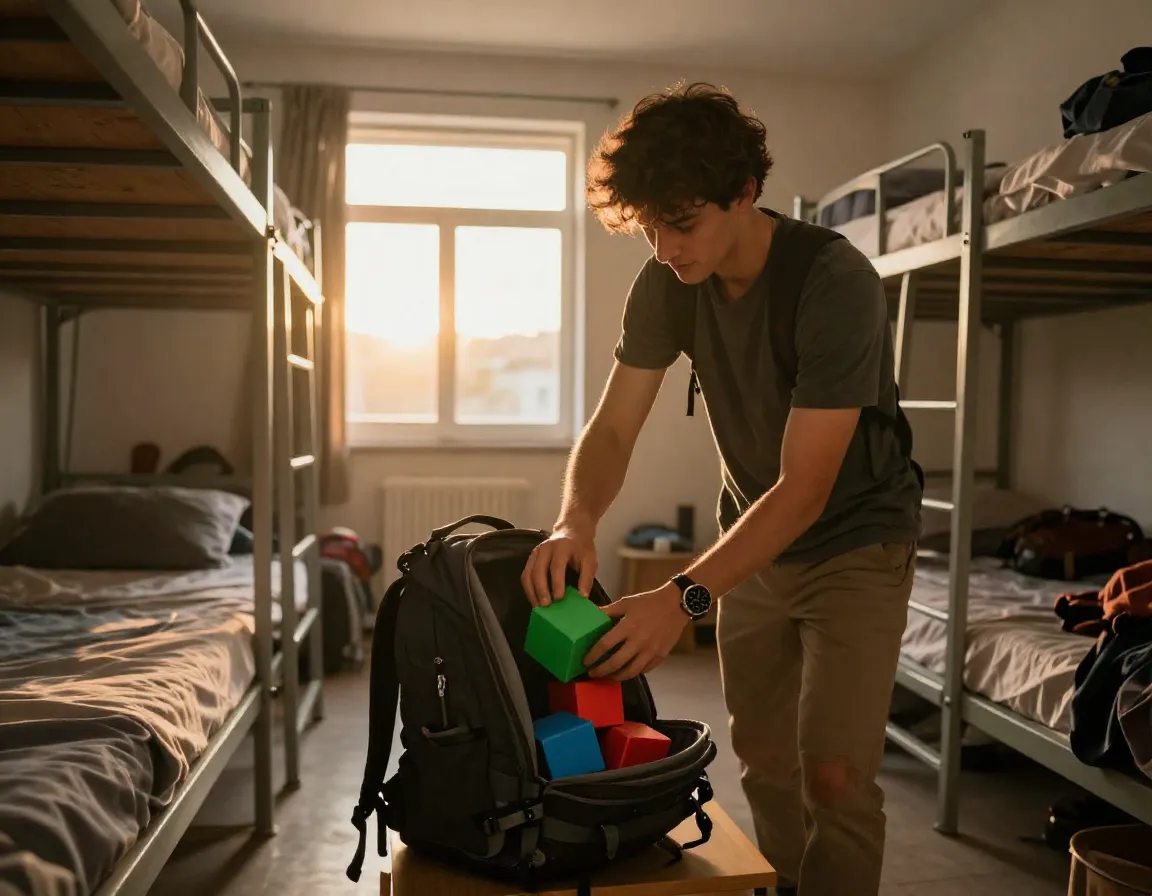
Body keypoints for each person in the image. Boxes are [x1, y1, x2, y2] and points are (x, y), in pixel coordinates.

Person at [519, 81, 923, 896]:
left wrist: (681, 599)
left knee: (835, 777)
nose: (666, 247)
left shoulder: (833, 282)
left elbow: (806, 489)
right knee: (766, 765)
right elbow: (614, 426)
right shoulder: (667, 278)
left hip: (854, 541)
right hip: (752, 544)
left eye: (683, 221)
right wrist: (576, 517)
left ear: (745, 193)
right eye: (648, 228)